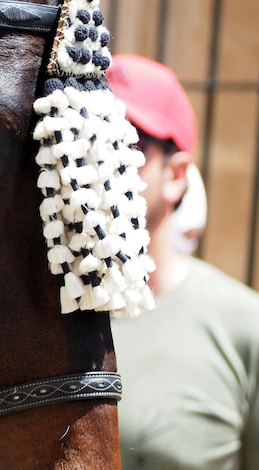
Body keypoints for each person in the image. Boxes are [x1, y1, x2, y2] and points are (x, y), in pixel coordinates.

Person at [107, 54, 259, 469]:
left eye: (124, 144)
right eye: (84, 138)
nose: (99, 162)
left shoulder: (244, 327)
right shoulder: (25, 315)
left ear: (176, 174)